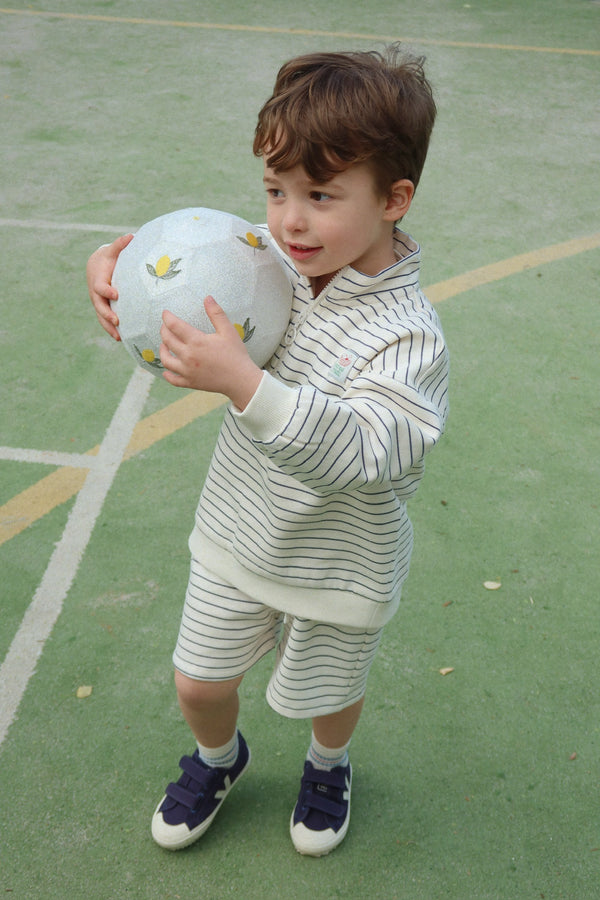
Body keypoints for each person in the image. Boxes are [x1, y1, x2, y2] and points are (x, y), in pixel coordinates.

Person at [87, 45, 449, 857]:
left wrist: (246, 386)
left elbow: (367, 448)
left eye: (320, 195)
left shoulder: (408, 336)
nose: (287, 220)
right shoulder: (273, 258)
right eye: (276, 190)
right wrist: (118, 268)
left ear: (395, 199)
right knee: (198, 681)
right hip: (240, 531)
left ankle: (330, 762)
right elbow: (187, 256)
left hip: (340, 559)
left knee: (330, 694)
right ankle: (221, 757)